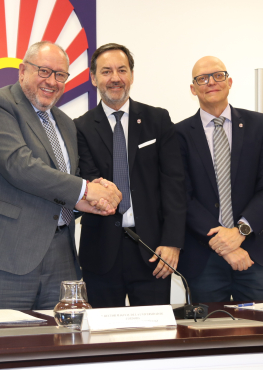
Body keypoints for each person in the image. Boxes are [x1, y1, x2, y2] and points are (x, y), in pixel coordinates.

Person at [0, 41, 122, 310]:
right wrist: (86, 189)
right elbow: (20, 166)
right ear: (22, 71)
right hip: (6, 258)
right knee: (2, 347)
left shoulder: (64, 122)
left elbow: (61, 185)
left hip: (62, 258)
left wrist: (91, 198)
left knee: (60, 347)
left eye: (60, 75)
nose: (52, 81)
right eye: (44, 71)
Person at [74, 43, 186, 308]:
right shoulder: (80, 127)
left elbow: (175, 185)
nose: (115, 78)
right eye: (106, 71)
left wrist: (172, 243)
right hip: (100, 252)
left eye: (122, 70)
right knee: (102, 340)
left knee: (154, 338)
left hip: (153, 251)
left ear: (132, 76)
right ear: (93, 78)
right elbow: (88, 183)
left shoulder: (157, 120)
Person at [176, 56, 263, 303]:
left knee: (262, 333)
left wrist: (240, 231)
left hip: (255, 251)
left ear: (229, 81)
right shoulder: (178, 134)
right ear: (193, 89)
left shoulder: (259, 125)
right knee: (210, 336)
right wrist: (224, 243)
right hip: (204, 256)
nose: (211, 82)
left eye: (218, 75)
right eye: (202, 78)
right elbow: (182, 196)